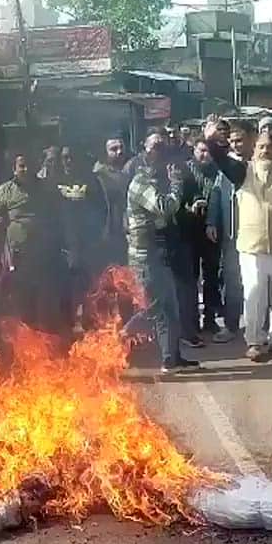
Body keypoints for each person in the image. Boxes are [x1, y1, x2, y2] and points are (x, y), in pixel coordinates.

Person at [208, 123, 272, 362]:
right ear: (254, 150)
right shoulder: (242, 171)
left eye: (270, 146)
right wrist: (212, 141)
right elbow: (220, 160)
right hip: (252, 248)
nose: (266, 150)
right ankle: (255, 341)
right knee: (254, 295)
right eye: (261, 147)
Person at [124, 132, 198, 375]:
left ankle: (172, 356)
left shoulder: (156, 180)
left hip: (160, 254)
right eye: (155, 148)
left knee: (170, 307)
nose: (162, 154)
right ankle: (119, 339)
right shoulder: (140, 183)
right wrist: (176, 183)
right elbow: (164, 208)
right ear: (145, 155)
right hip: (145, 257)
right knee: (156, 310)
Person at [0, 153, 66, 334]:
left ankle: (47, 343)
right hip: (18, 256)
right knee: (22, 301)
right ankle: (27, 343)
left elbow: (59, 220)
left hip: (44, 256)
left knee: (46, 302)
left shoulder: (48, 189)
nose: (26, 169)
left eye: (29, 165)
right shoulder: (4, 191)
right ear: (14, 168)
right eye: (22, 165)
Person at [50, 145, 107, 329]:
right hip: (61, 245)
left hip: (86, 244)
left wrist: (97, 236)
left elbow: (102, 209)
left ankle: (91, 327)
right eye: (65, 157)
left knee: (89, 287)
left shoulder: (91, 181)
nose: (68, 161)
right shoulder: (53, 182)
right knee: (64, 289)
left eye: (72, 157)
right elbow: (46, 212)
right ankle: (65, 328)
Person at [174, 140, 222, 340]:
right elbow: (177, 198)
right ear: (194, 150)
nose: (205, 155)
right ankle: (192, 322)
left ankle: (210, 318)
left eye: (208, 151)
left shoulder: (218, 171)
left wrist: (212, 221)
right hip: (188, 229)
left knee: (211, 275)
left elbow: (219, 199)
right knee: (191, 278)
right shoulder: (184, 169)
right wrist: (190, 207)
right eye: (201, 150)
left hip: (211, 229)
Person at [206, 143, 243, 344]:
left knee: (260, 284)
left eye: (241, 140)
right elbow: (216, 194)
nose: (238, 145)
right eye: (234, 140)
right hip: (232, 235)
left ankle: (264, 330)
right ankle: (231, 326)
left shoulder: (257, 164)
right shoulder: (225, 167)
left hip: (257, 236)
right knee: (232, 283)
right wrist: (212, 222)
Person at [94, 137, 133, 268]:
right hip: (110, 234)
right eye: (114, 149)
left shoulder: (130, 169)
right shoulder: (99, 176)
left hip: (129, 233)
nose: (119, 152)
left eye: (121, 147)